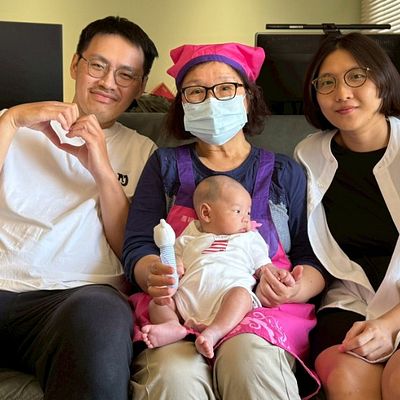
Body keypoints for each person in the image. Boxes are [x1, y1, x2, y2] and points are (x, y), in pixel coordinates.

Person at [123, 42, 327, 400]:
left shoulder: (284, 172)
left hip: (258, 311)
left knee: (249, 360)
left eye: (225, 88)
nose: (211, 101)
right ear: (182, 103)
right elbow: (138, 245)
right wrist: (154, 272)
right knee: (173, 373)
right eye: (196, 91)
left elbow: (314, 258)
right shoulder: (164, 166)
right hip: (182, 306)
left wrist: (292, 288)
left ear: (248, 97)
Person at [0, 16, 158, 399]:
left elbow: (129, 248)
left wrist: (101, 168)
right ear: (75, 64)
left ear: (140, 86)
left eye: (125, 75)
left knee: (103, 316)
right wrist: (11, 119)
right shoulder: (12, 126)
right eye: (98, 65)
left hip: (77, 298)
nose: (108, 83)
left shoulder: (144, 152)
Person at [294, 32, 400, 400]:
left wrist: (389, 324)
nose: (341, 93)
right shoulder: (307, 156)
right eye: (327, 82)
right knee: (346, 382)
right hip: (351, 300)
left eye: (356, 76)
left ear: (382, 80)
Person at [141, 174, 297, 359]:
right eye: (238, 211)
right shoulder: (189, 237)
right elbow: (173, 260)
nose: (246, 219)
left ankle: (214, 332)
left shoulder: (249, 238)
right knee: (158, 302)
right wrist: (176, 266)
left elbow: (265, 267)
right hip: (187, 299)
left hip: (226, 297)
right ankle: (172, 325)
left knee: (242, 295)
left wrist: (279, 275)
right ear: (206, 213)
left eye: (248, 213)